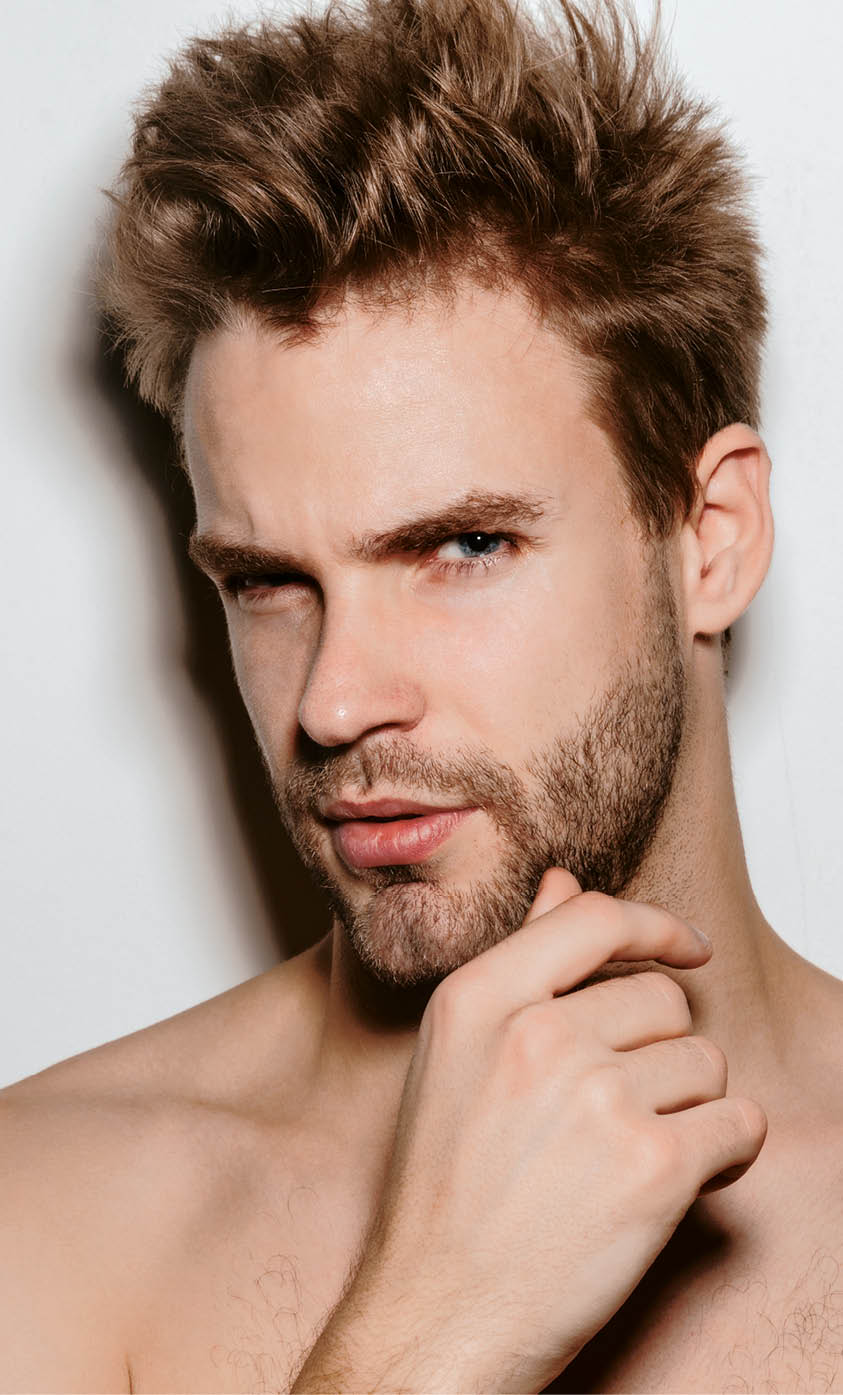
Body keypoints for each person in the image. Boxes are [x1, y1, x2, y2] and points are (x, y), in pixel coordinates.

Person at [2, 0, 842, 1390]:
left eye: (463, 549)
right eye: (268, 581)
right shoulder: (44, 1223)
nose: (332, 704)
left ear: (711, 540)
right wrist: (430, 1337)